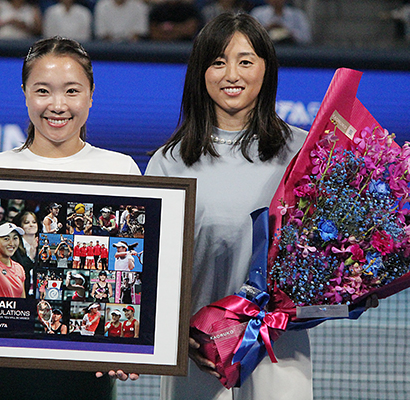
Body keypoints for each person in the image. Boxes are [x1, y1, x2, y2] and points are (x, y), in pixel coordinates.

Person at [0, 36, 140, 398]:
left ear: (91, 94)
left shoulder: (121, 170)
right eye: (43, 91)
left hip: (84, 379)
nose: (58, 105)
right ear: (25, 93)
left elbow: (129, 279)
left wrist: (130, 344)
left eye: (72, 91)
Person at [145, 13, 312, 400]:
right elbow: (150, 269)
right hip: (195, 349)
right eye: (218, 62)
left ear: (266, 70)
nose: (231, 74)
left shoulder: (304, 153)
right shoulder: (168, 163)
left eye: (245, 61)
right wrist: (176, 331)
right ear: (200, 73)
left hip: (278, 351)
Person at [12, 210, 39, 295]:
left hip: (37, 293)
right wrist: (30, 257)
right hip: (21, 293)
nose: (31, 225)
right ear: (21, 227)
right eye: (27, 222)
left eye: (34, 222)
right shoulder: (14, 248)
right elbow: (18, 273)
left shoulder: (43, 245)